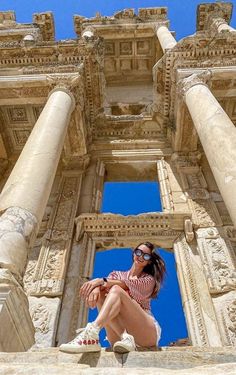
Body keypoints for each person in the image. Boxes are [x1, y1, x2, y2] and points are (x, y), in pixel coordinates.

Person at [59, 242, 166, 353]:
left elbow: (124, 285)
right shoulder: (116, 274)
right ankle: (122, 337)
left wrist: (101, 281)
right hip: (119, 338)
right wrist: (97, 287)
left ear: (149, 261)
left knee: (116, 290)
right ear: (134, 253)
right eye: (138, 252)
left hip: (145, 334)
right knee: (102, 294)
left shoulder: (149, 280)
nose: (141, 257)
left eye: (146, 256)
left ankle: (92, 332)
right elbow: (105, 286)